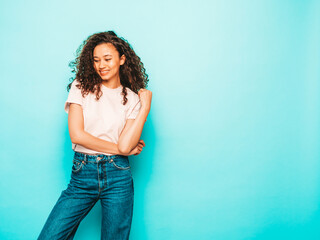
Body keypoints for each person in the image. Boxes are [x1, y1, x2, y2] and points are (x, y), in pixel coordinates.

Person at [38, 30, 152, 240]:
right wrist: (121, 148)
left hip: (118, 175)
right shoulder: (80, 86)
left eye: (108, 59)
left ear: (122, 60)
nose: (101, 65)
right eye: (96, 60)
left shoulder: (133, 99)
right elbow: (78, 136)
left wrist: (144, 108)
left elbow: (126, 146)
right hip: (83, 172)